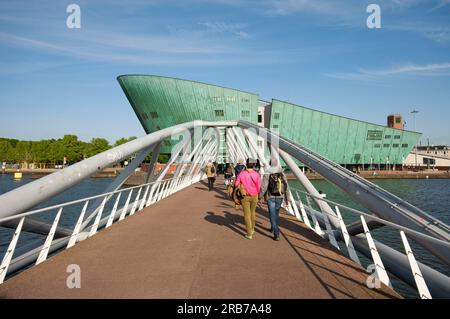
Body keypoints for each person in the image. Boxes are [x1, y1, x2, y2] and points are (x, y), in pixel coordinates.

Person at [260, 157, 290, 241]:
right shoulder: (282, 173)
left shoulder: (267, 173)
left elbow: (264, 187)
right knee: (276, 213)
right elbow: (286, 187)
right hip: (280, 196)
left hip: (270, 196)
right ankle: (273, 227)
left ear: (270, 163)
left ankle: (276, 232)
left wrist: (260, 196)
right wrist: (287, 200)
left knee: (272, 214)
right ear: (277, 163)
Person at [234, 158, 261, 240]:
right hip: (254, 195)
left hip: (244, 196)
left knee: (247, 214)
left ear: (246, 164)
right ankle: (252, 229)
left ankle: (249, 234)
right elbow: (259, 187)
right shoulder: (256, 174)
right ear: (253, 165)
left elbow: (236, 184)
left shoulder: (242, 174)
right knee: (253, 212)